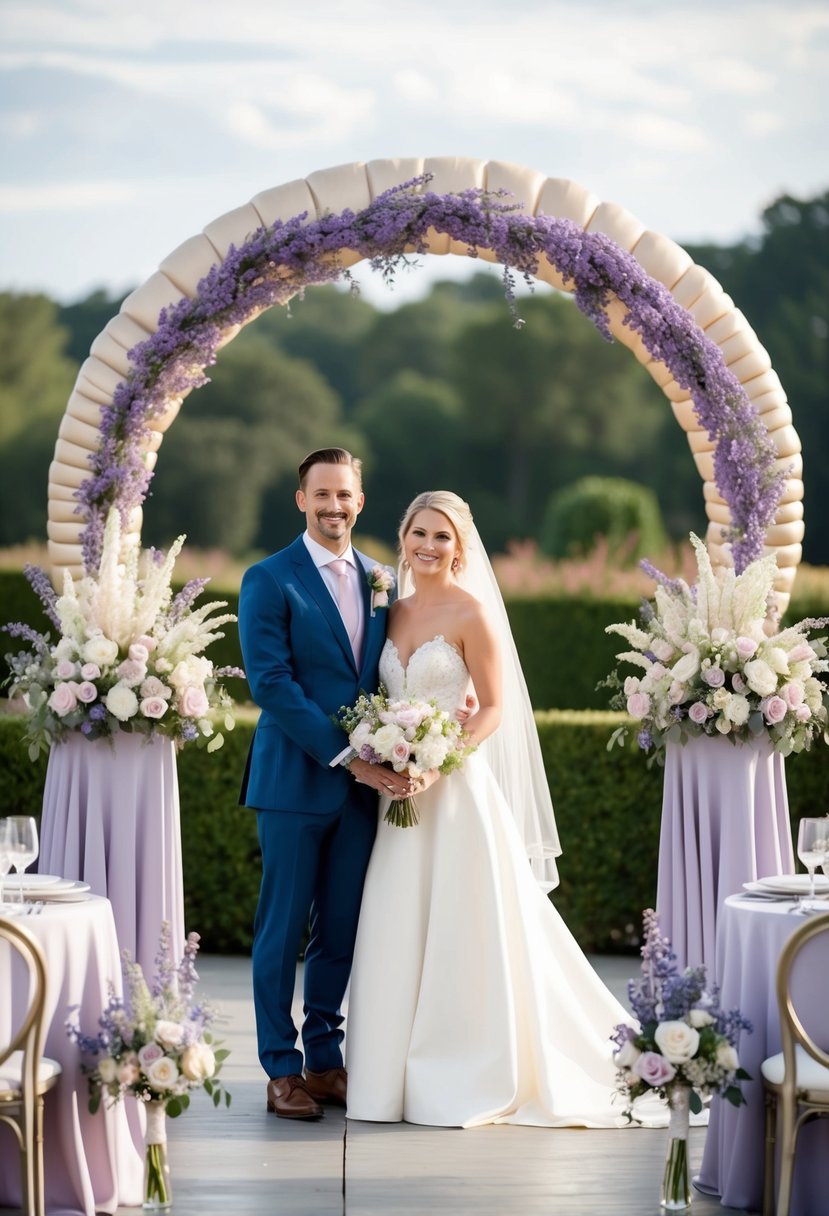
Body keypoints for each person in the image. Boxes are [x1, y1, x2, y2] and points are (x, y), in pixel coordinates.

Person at [345, 491, 630, 1128]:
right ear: (403, 537)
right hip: (398, 800)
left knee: (464, 927)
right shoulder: (388, 612)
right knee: (398, 924)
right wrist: (386, 753)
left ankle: (467, 1066)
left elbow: (494, 708)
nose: (428, 546)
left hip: (456, 796)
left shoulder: (473, 613)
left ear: (460, 547)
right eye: (419, 532)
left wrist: (437, 759)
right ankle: (383, 1081)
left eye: (441, 536)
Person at [238, 447, 412, 1120]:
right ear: (300, 499)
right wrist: (351, 757)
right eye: (321, 495)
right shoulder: (267, 578)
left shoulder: (381, 580)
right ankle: (280, 1070)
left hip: (361, 794)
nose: (333, 506)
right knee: (281, 931)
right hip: (292, 783)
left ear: (360, 502)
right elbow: (271, 685)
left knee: (339, 929)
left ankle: (325, 1061)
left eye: (345, 495)